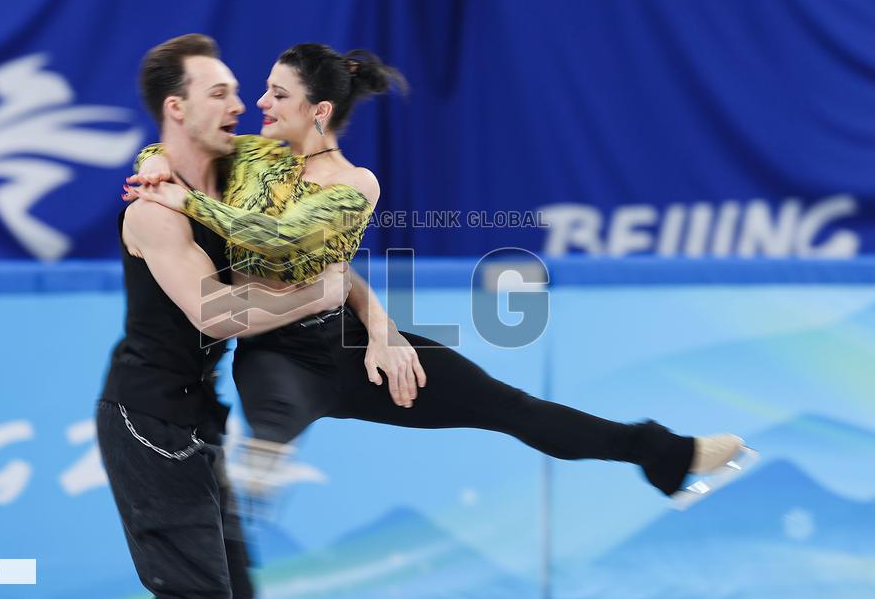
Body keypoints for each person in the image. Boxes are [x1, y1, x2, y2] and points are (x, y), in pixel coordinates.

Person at [124, 43, 756, 511]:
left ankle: (666, 455)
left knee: (513, 408)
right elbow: (177, 147)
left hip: (343, 346)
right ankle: (265, 456)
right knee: (273, 401)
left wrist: (383, 335)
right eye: (260, 91)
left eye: (276, 94)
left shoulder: (354, 185)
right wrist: (154, 165)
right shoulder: (251, 157)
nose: (258, 103)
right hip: (274, 347)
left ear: (318, 112)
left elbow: (295, 249)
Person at [98, 34, 355, 599]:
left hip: (201, 416)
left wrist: (382, 330)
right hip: (149, 420)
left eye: (240, 93)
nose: (241, 106)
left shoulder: (242, 175)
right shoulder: (153, 212)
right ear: (176, 107)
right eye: (220, 93)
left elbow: (321, 243)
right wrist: (316, 298)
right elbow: (217, 315)